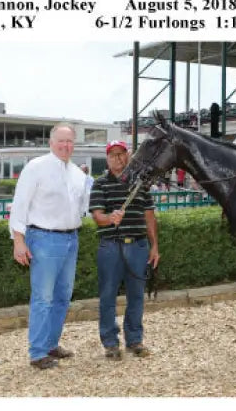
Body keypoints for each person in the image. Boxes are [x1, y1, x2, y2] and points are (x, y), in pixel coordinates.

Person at [8, 125, 92, 370]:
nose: (66, 145)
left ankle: (51, 344)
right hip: (43, 239)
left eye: (70, 141)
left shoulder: (78, 173)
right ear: (51, 142)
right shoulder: (35, 167)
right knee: (43, 298)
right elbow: (20, 204)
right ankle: (37, 352)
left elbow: (86, 205)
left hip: (71, 238)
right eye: (61, 141)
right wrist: (18, 241)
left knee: (63, 296)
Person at [89, 141, 160, 359]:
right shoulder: (100, 184)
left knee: (137, 295)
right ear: (107, 158)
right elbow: (97, 217)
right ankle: (110, 342)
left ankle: (135, 340)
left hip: (138, 246)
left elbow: (149, 216)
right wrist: (110, 218)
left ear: (127, 156)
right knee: (108, 296)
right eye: (113, 155)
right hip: (111, 246)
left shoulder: (140, 184)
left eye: (121, 154)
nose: (117, 159)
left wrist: (154, 246)